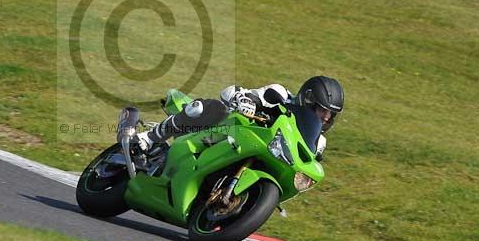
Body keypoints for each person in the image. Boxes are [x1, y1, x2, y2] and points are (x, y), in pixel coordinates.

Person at [136, 76, 344, 161]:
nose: (325, 118)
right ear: (307, 100)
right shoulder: (279, 94)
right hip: (229, 131)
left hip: (256, 153)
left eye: (330, 115)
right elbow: (231, 91)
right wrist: (245, 100)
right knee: (211, 108)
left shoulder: (319, 143)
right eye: (321, 110)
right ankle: (149, 138)